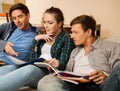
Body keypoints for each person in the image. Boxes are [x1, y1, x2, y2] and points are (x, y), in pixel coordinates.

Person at [37, 15, 120, 91]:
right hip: (76, 86)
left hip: (101, 86)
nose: (72, 36)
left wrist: (106, 77)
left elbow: (116, 74)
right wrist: (58, 72)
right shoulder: (75, 51)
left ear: (88, 32)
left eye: (75, 32)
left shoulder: (111, 46)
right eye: (71, 32)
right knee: (46, 80)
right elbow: (67, 73)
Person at [0, 7, 75, 91]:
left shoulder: (67, 38)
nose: (46, 26)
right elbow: (32, 59)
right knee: (5, 69)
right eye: (44, 22)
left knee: (29, 69)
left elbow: (64, 62)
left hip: (47, 72)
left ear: (59, 23)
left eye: (50, 23)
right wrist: (36, 40)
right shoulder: (42, 36)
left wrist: (58, 63)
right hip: (36, 66)